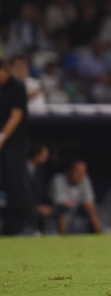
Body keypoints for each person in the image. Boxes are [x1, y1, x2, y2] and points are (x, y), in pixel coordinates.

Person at [0, 57, 36, 234]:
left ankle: (30, 226)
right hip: (2, 143)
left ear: (4, 71)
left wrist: (1, 137)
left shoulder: (16, 86)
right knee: (4, 184)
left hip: (15, 143)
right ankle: (10, 228)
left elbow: (16, 115)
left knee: (18, 183)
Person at [49, 159, 102, 234]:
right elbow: (60, 211)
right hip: (54, 225)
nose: (81, 175)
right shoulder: (58, 180)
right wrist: (62, 237)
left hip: (74, 221)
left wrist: (100, 234)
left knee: (94, 208)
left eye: (83, 172)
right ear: (68, 171)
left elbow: (90, 208)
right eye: (77, 171)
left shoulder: (84, 179)